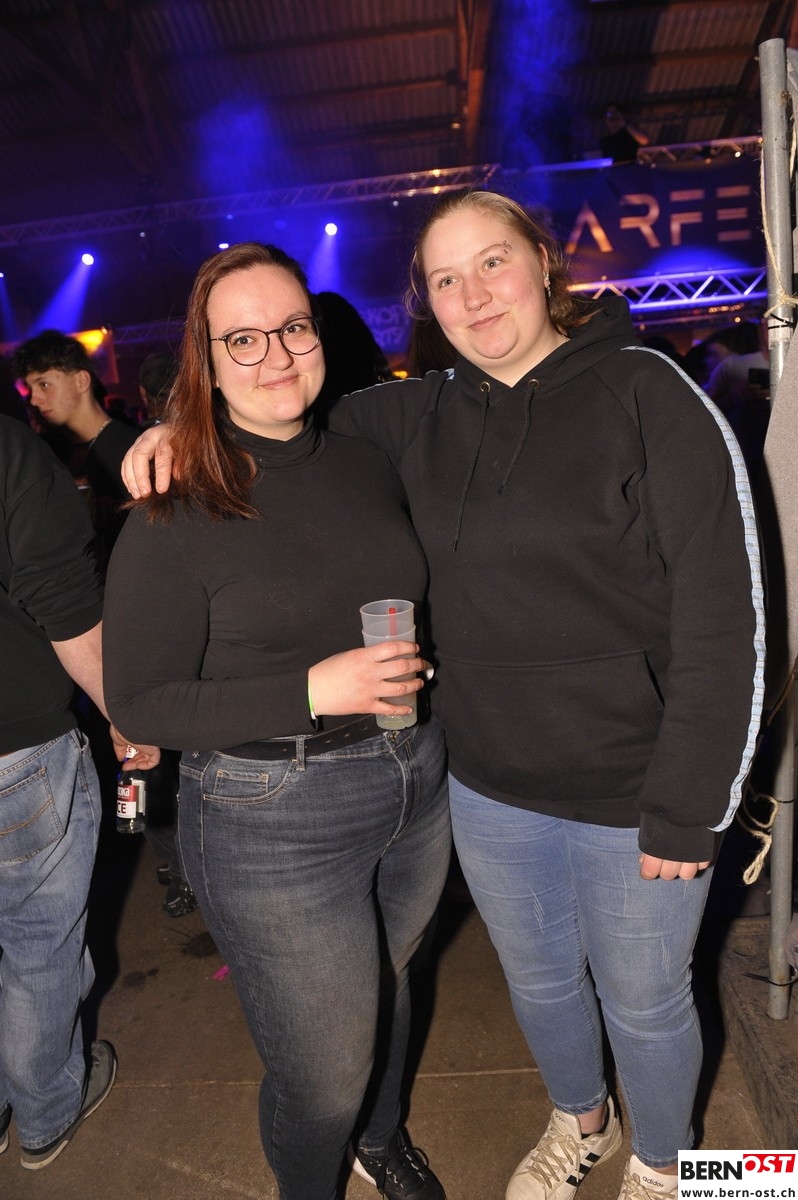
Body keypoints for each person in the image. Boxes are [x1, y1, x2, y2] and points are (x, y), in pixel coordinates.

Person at [122, 192, 764, 1200]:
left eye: (494, 262)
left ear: (544, 261)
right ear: (425, 300)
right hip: (485, 790)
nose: (475, 295)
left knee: (646, 1001)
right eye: (446, 278)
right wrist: (167, 430)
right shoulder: (409, 415)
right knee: (540, 982)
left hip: (634, 786)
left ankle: (669, 1166)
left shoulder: (651, 393)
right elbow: (272, 411)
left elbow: (730, 619)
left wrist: (693, 802)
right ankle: (581, 1122)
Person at [102, 242, 451, 1200]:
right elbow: (141, 702)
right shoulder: (173, 507)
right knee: (324, 1071)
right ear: (206, 362)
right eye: (243, 340)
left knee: (393, 983)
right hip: (270, 815)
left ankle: (381, 1136)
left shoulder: (365, 456)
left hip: (414, 776)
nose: (277, 355)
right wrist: (312, 687)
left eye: (293, 328)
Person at [0, 415, 157, 1170]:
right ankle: (44, 1110)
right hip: (14, 749)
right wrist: (123, 716)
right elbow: (61, 599)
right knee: (39, 942)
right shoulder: (5, 448)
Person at [11, 330, 139, 576]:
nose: (34, 400)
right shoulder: (51, 454)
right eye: (29, 388)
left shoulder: (129, 449)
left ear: (81, 381)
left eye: (44, 384)